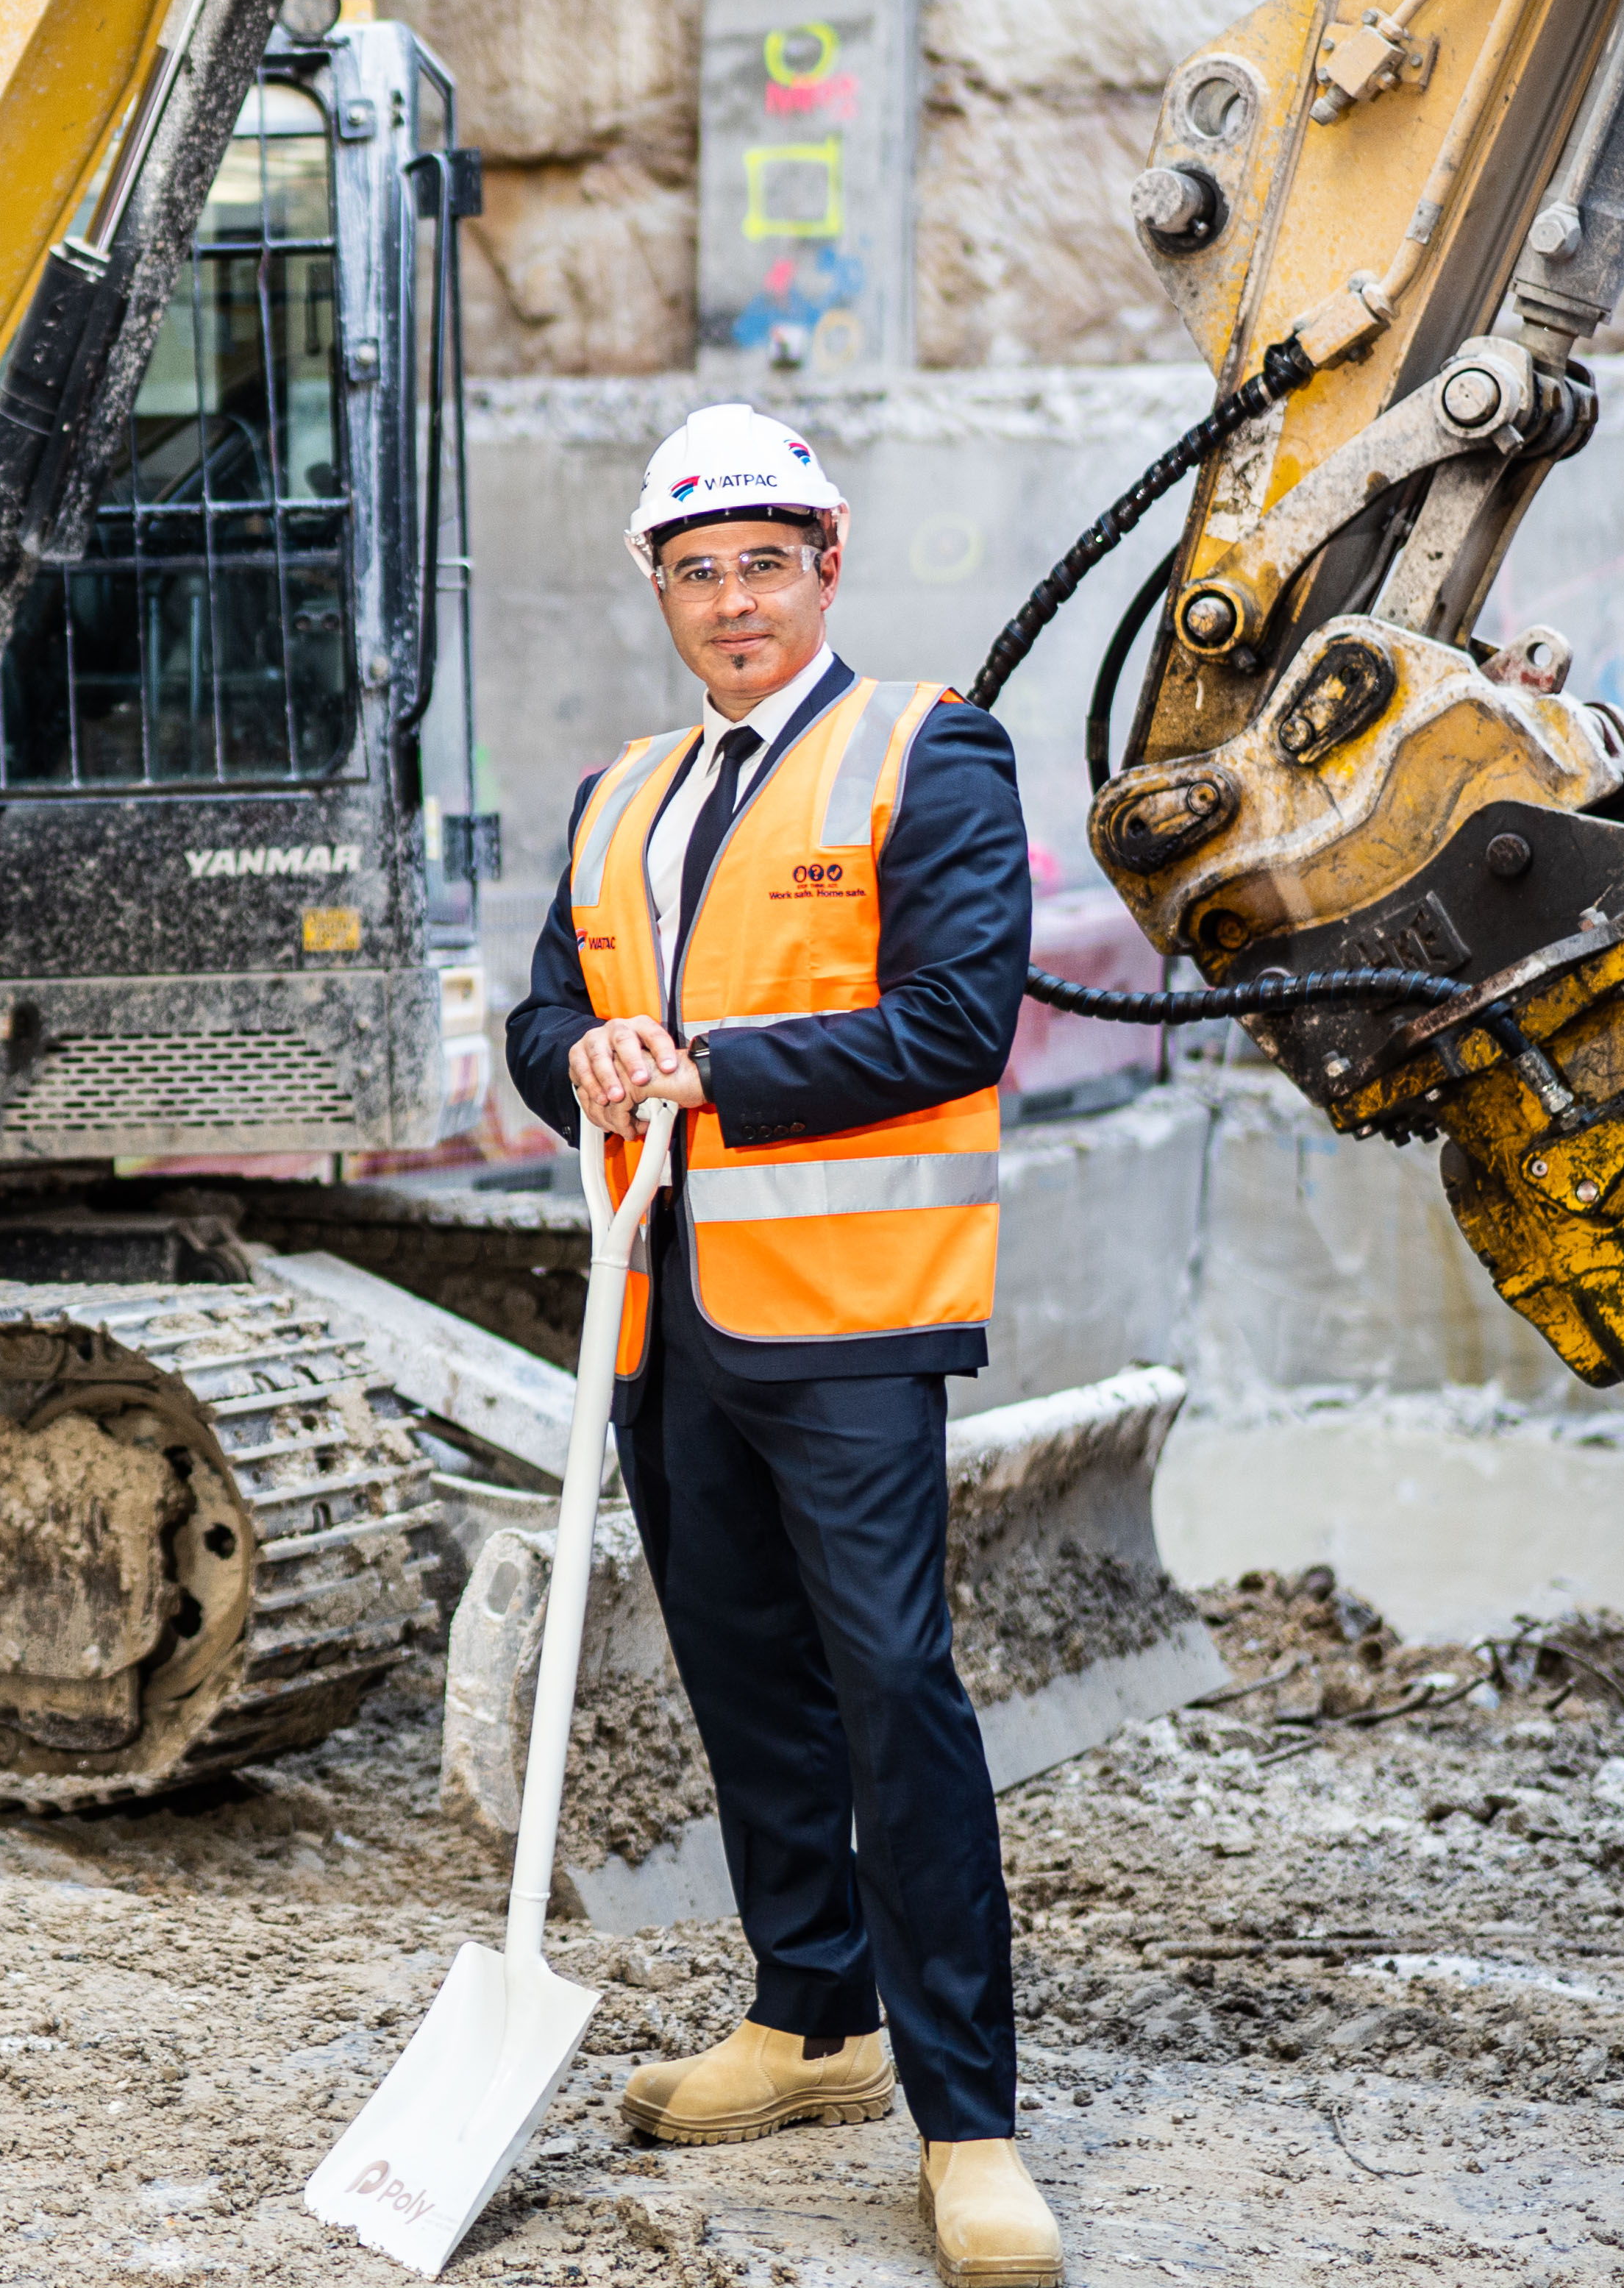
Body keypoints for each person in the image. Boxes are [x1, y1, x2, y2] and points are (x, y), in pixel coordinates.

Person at [502, 405, 1061, 2287]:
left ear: (828, 561)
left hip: (848, 1322)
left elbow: (956, 1021)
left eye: (762, 561)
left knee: (896, 1687)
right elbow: (546, 1012)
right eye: (694, 570)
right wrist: (575, 1055)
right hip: (667, 1317)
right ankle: (810, 2015)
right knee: (745, 1681)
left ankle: (966, 2119)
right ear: (660, 592)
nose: (731, 599)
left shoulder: (930, 753)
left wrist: (711, 1070)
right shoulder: (625, 791)